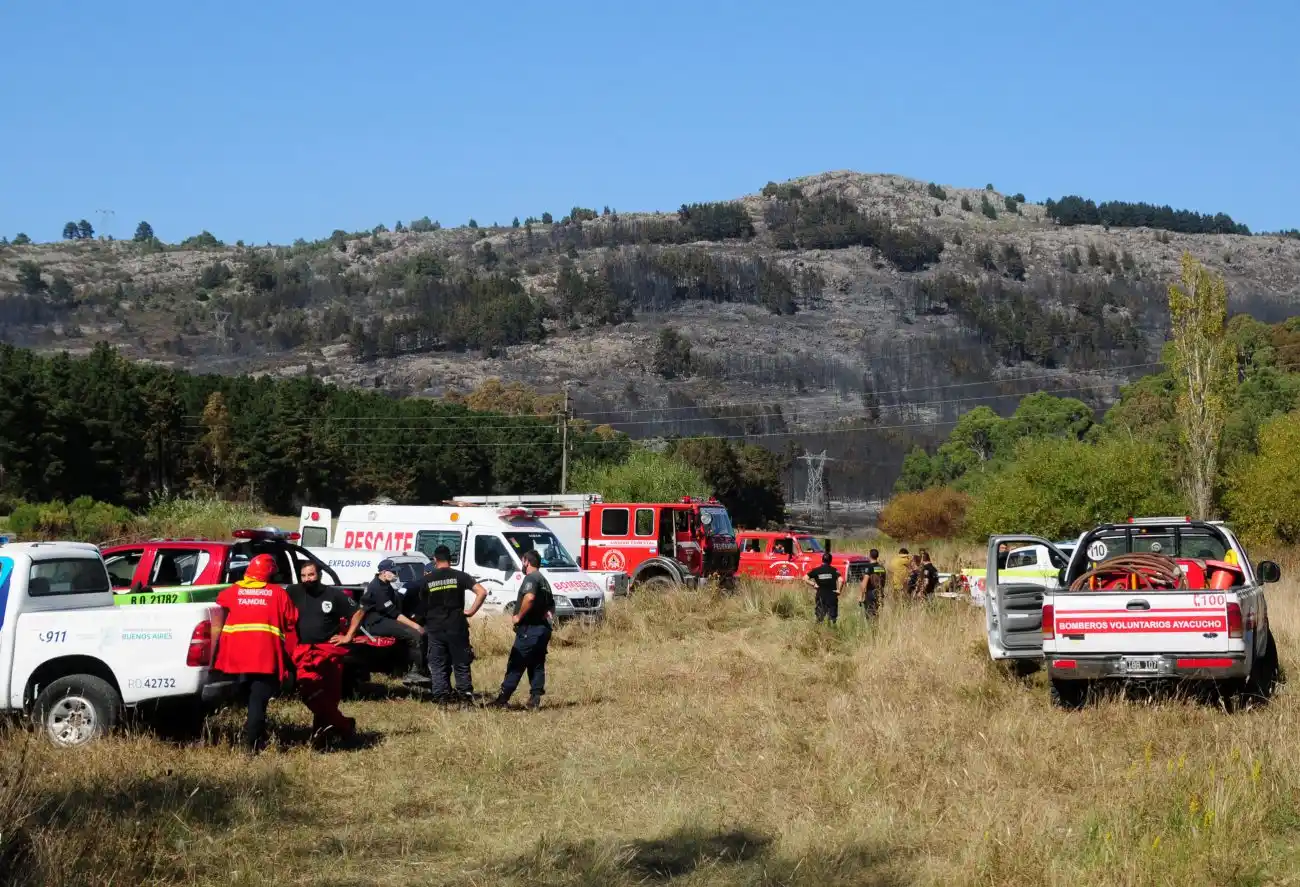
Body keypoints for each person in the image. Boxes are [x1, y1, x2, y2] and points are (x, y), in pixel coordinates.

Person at [211, 553, 298, 753]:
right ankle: (251, 746)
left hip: (236, 659)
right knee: (257, 702)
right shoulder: (278, 594)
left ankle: (253, 737)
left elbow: (220, 600)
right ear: (269, 573)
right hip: (264, 658)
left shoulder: (234, 591)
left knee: (248, 696)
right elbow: (292, 619)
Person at [286, 562, 362, 744]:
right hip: (303, 652)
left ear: (319, 575)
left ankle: (321, 736)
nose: (307, 579)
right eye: (303, 576)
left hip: (328, 651)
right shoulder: (293, 591)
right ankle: (344, 725)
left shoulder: (333, 594)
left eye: (311, 575)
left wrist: (348, 636)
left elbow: (358, 612)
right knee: (309, 693)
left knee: (329, 696)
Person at [411, 545, 488, 704]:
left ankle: (441, 699)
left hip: (435, 628)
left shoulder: (427, 580)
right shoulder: (461, 576)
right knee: (461, 663)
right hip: (457, 627)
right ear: (450, 559)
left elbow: (422, 606)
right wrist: (471, 611)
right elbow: (482, 592)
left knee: (438, 665)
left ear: (434, 559)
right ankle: (465, 698)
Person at [490, 551, 555, 710]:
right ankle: (535, 699)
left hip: (530, 629)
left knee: (516, 663)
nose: (522, 564)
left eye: (523, 561)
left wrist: (518, 616)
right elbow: (552, 605)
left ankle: (502, 700)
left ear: (527, 562)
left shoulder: (531, 578)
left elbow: (530, 597)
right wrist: (548, 615)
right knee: (536, 663)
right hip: (542, 629)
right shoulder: (543, 580)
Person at [360, 559, 426, 685]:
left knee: (407, 635)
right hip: (376, 623)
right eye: (394, 572)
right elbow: (394, 613)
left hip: (385, 620)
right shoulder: (377, 588)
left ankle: (401, 669)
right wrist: (415, 625)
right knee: (414, 634)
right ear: (384, 572)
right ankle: (414, 673)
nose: (396, 575)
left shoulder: (386, 585)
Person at [804, 552, 843, 624]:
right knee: (832, 618)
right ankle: (832, 630)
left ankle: (819, 631)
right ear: (830, 561)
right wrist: (839, 590)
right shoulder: (834, 570)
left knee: (820, 616)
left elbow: (805, 578)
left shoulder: (816, 570)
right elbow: (841, 580)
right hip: (832, 596)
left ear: (822, 560)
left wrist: (814, 584)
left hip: (821, 595)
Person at [858, 549, 885, 619]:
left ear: (869, 556)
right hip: (879, 593)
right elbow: (883, 582)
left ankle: (872, 629)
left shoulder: (869, 567)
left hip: (870, 593)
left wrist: (861, 597)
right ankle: (876, 628)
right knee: (876, 613)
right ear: (877, 556)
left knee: (869, 615)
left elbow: (864, 583)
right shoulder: (882, 567)